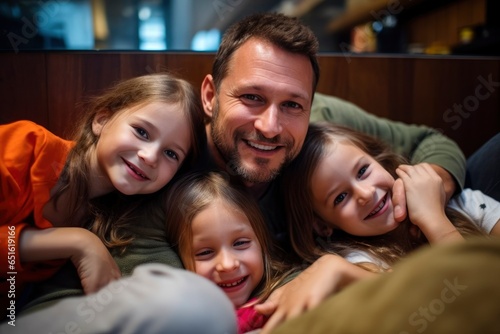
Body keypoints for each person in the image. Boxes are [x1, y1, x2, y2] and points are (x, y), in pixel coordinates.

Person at [196, 12, 500, 332]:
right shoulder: (170, 159)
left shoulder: (326, 118)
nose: (270, 127)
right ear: (210, 96)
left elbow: (429, 141)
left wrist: (426, 196)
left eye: (293, 105)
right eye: (251, 97)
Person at [0, 73, 238, 333]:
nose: (149, 156)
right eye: (142, 132)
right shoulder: (25, 147)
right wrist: (77, 243)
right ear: (102, 120)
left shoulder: (120, 216)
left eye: (171, 153)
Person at [162, 170, 372, 333]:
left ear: (262, 242)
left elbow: (386, 291)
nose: (227, 264)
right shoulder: (185, 321)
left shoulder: (293, 291)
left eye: (241, 243)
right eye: (205, 253)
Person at [282, 122, 500, 270]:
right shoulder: (360, 263)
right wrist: (432, 219)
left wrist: (434, 211)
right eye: (340, 198)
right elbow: (479, 292)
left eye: (362, 171)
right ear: (322, 226)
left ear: (380, 161)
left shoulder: (464, 203)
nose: (365, 194)